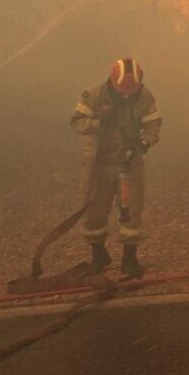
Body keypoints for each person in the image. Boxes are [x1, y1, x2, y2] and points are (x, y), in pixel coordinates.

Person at [69, 57, 162, 278]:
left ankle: (129, 260)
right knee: (94, 210)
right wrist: (99, 123)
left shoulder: (145, 96)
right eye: (122, 91)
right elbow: (76, 121)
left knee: (131, 209)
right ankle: (98, 255)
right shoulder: (94, 94)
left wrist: (144, 143)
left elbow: (153, 124)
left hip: (130, 161)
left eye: (131, 91)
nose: (127, 95)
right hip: (98, 162)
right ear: (112, 82)